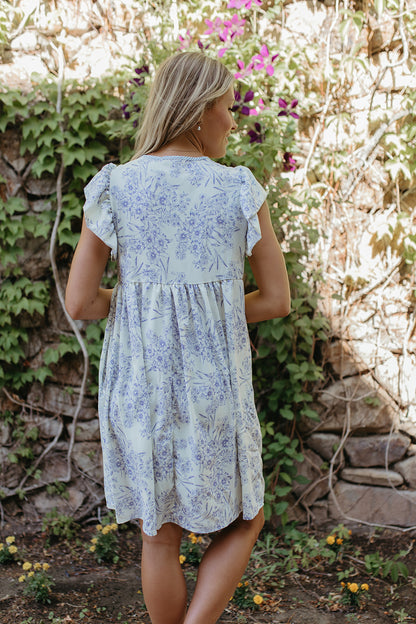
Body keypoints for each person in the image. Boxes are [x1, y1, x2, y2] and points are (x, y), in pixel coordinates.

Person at [65, 51, 290, 624]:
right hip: (213, 386)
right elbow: (276, 300)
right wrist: (212, 311)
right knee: (246, 519)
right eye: (228, 108)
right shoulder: (238, 189)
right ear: (198, 111)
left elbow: (81, 302)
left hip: (139, 385)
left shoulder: (115, 186)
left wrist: (142, 306)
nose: (233, 121)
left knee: (158, 535)